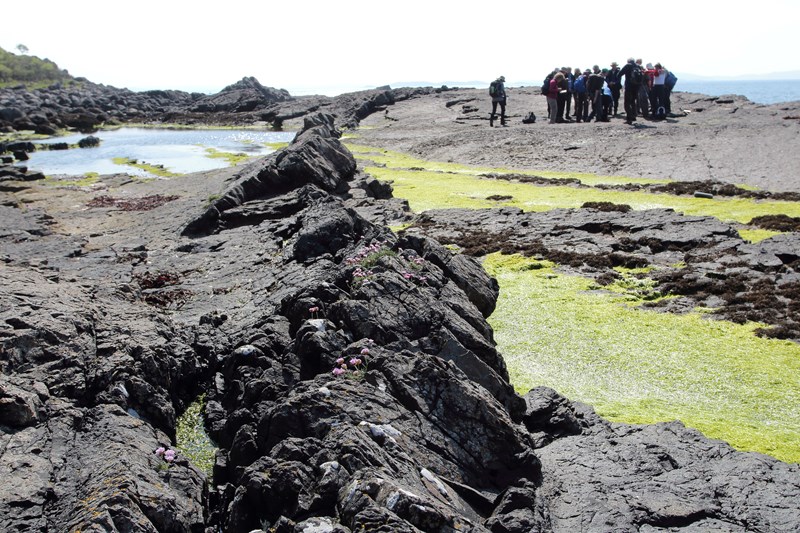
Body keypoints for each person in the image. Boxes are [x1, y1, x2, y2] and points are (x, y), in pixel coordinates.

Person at [618, 58, 641, 124]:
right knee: (633, 101)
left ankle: (629, 118)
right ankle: (634, 116)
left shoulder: (628, 66)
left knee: (627, 103)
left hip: (629, 87)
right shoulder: (638, 66)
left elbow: (619, 74)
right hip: (636, 87)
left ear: (628, 61)